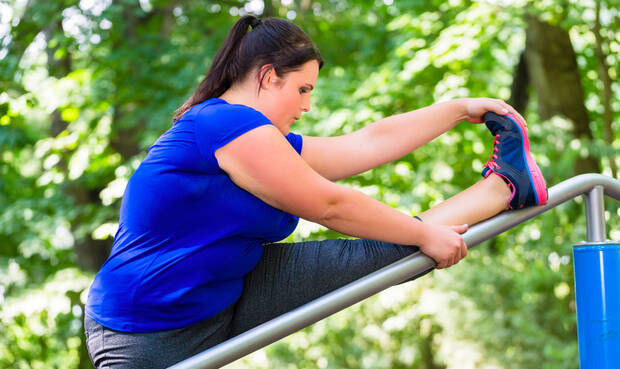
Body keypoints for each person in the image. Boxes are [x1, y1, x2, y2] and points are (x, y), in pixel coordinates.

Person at [84, 15, 547, 368]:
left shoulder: (253, 135)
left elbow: (364, 145)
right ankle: (503, 189)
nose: (307, 106)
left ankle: (505, 187)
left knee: (383, 254)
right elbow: (331, 205)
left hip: (220, 292)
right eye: (302, 89)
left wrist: (459, 108)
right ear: (268, 77)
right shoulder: (226, 124)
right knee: (403, 242)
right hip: (147, 330)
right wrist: (426, 234)